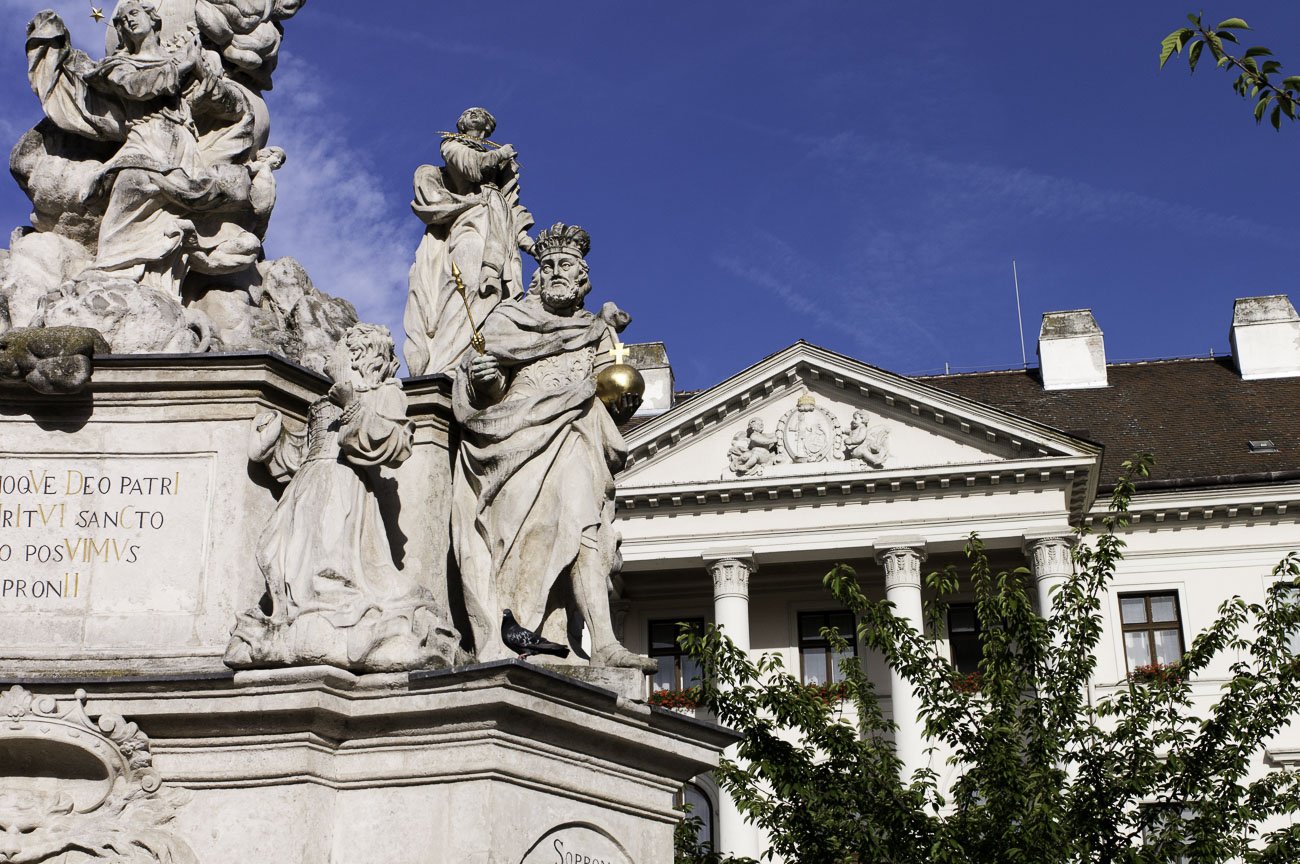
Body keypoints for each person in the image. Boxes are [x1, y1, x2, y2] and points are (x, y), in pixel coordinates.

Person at [451, 223, 653, 669]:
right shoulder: (506, 320)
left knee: (585, 528)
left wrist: (623, 404)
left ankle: (604, 641)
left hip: (575, 434)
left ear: (582, 277)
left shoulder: (595, 330)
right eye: (548, 266)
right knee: (520, 536)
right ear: (537, 276)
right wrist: (485, 381)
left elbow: (608, 390)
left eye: (566, 265)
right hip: (513, 440)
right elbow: (484, 388)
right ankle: (519, 631)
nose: (557, 271)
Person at [226, 324, 459, 671]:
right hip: (306, 487)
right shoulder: (323, 401)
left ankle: (331, 623)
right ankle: (292, 616)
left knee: (330, 556)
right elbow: (305, 452)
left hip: (343, 484)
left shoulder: (383, 392)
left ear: (358, 355)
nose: (329, 356)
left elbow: (395, 443)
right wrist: (274, 444)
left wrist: (352, 404)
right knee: (277, 552)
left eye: (338, 349)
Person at [403, 107, 534, 375]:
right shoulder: (452, 145)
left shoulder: (499, 174)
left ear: (488, 126)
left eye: (479, 114)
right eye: (469, 113)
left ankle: (484, 356)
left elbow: (512, 210)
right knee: (468, 282)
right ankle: (448, 363)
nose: (473, 114)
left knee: (500, 299)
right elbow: (471, 168)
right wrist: (498, 155)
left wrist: (530, 244)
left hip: (499, 233)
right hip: (469, 222)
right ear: (461, 123)